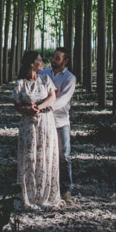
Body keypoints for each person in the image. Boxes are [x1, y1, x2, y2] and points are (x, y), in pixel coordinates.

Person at [11, 50, 61, 210]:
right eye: (40, 60)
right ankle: (29, 196)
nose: (43, 62)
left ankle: (46, 195)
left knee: (46, 157)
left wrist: (38, 107)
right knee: (29, 158)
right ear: (32, 63)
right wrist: (27, 109)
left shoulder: (46, 79)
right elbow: (16, 104)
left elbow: (52, 97)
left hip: (46, 123)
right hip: (28, 126)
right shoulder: (20, 83)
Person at [39, 47, 76, 203]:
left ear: (65, 61)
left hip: (60, 121)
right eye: (53, 57)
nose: (53, 60)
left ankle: (66, 190)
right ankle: (45, 188)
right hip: (42, 121)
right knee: (44, 155)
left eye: (57, 58)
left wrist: (46, 107)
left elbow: (63, 99)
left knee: (64, 156)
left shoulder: (69, 78)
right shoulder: (43, 73)